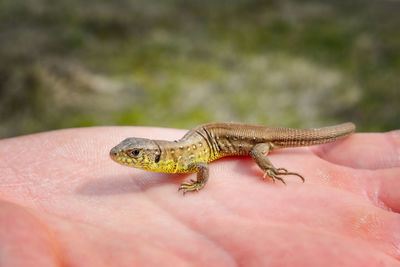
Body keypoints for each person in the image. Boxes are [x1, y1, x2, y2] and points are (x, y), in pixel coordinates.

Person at [0, 126, 399, 266]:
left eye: (134, 154)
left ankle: (274, 167)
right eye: (130, 152)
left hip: (253, 142)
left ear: (153, 155)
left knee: (261, 154)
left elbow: (204, 166)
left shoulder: (187, 158)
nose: (125, 157)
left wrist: (198, 183)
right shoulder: (176, 156)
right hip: (216, 136)